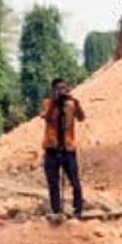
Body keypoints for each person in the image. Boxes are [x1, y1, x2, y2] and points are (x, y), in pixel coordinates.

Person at [41, 78, 86, 220]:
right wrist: (54, 102)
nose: (62, 91)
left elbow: (81, 118)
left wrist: (75, 102)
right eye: (59, 89)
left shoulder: (71, 104)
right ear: (53, 90)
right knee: (53, 182)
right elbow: (46, 117)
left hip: (68, 148)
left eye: (64, 88)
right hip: (51, 149)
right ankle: (56, 211)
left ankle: (77, 210)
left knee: (75, 181)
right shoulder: (48, 103)